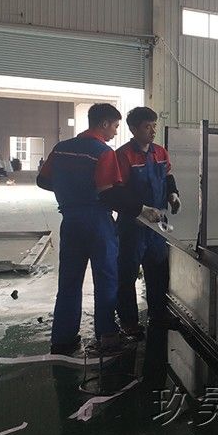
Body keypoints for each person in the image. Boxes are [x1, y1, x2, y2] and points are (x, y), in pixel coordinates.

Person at [37, 104, 162, 356]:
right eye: (115, 126)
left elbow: (43, 180)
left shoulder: (61, 148)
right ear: (104, 124)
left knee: (69, 281)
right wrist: (141, 209)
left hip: (70, 221)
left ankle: (62, 339)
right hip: (97, 222)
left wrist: (70, 190)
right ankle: (107, 337)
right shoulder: (103, 152)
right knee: (106, 279)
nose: (115, 132)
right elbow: (109, 194)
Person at [115, 107, 180, 337]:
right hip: (132, 226)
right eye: (147, 126)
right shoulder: (123, 156)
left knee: (158, 272)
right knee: (127, 274)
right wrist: (138, 213)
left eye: (154, 126)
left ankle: (158, 314)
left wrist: (173, 194)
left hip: (157, 227)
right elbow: (117, 191)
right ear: (133, 129)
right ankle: (129, 322)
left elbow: (168, 176)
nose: (153, 131)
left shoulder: (160, 152)